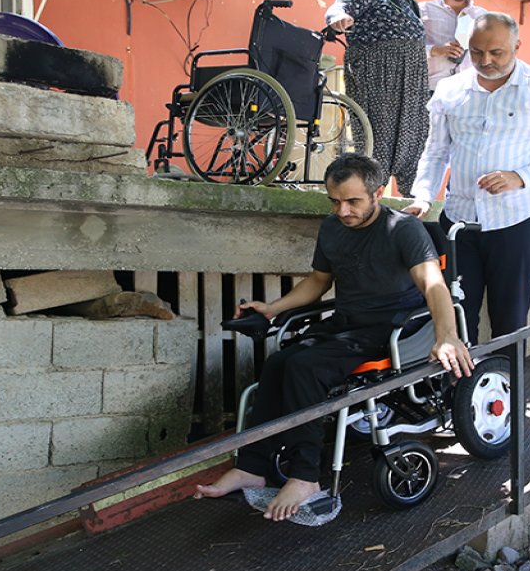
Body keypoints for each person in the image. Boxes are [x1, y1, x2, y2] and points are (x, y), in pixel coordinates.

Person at [195, 153, 473, 522]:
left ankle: (306, 477)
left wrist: (448, 335)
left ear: (377, 193)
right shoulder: (332, 227)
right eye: (335, 201)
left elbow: (432, 283)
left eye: (353, 201)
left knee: (304, 369)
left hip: (392, 329)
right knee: (279, 362)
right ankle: (253, 466)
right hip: (346, 322)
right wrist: (274, 309)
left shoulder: (402, 229)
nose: (343, 210)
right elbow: (318, 282)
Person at [406, 12, 530, 343]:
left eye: (496, 52)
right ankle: (459, 392)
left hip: (517, 217)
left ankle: (507, 389)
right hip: (458, 220)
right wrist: (423, 195)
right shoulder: (449, 89)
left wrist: (520, 176)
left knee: (510, 316)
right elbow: (435, 152)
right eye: (476, 52)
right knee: (454, 314)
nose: (485, 61)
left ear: (517, 45)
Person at [326, 0, 430, 194]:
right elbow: (340, 6)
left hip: (411, 82)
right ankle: (370, 196)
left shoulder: (410, 3)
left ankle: (411, 200)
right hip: (378, 76)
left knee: (415, 138)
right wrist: (339, 18)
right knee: (379, 138)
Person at [421, 0, 486, 93]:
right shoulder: (423, 10)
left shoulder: (483, 17)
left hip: (467, 92)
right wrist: (434, 50)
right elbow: (407, 49)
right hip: (429, 90)